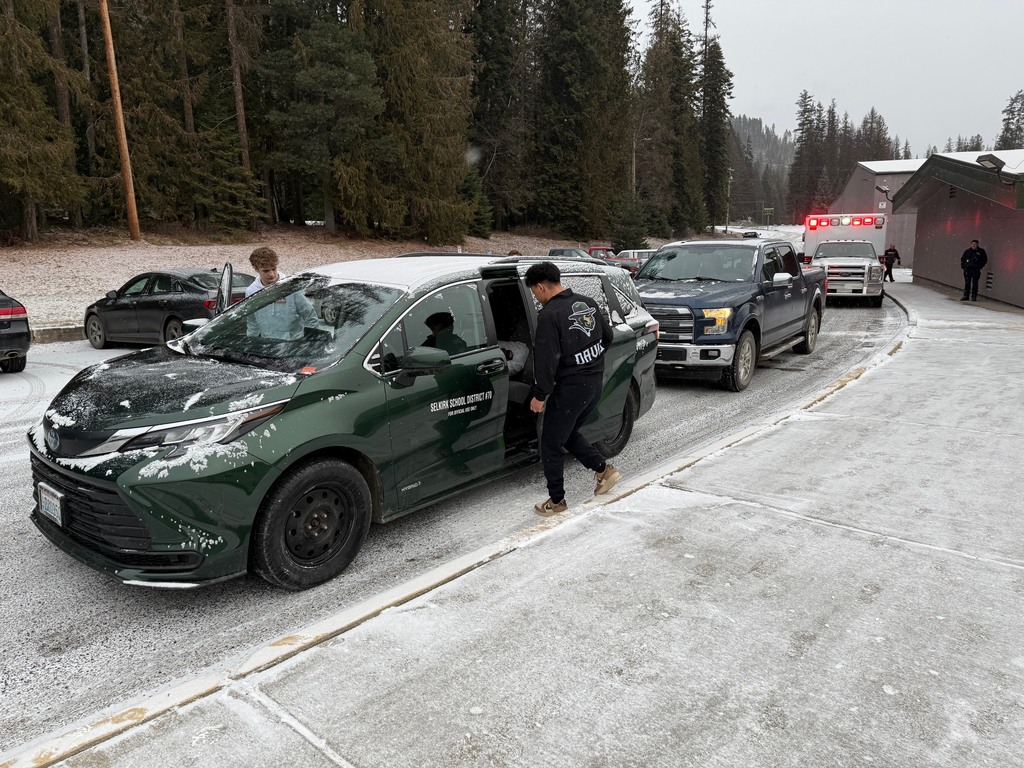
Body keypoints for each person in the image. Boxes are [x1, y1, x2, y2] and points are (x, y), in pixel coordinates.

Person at [525, 261, 621, 517]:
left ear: (540, 286)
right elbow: (608, 337)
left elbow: (546, 360)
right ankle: (603, 470)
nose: (536, 297)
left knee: (551, 444)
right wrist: (590, 360)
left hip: (569, 390)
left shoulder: (549, 315)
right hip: (593, 384)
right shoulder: (587, 301)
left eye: (534, 292)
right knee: (565, 434)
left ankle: (556, 501)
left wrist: (539, 394)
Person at [244, 246, 318, 339]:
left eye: (273, 269)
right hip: (266, 345)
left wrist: (309, 341)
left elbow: (310, 316)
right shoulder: (251, 291)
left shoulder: (291, 287)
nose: (271, 274)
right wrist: (250, 342)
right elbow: (252, 322)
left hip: (293, 344)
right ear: (256, 269)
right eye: (266, 271)